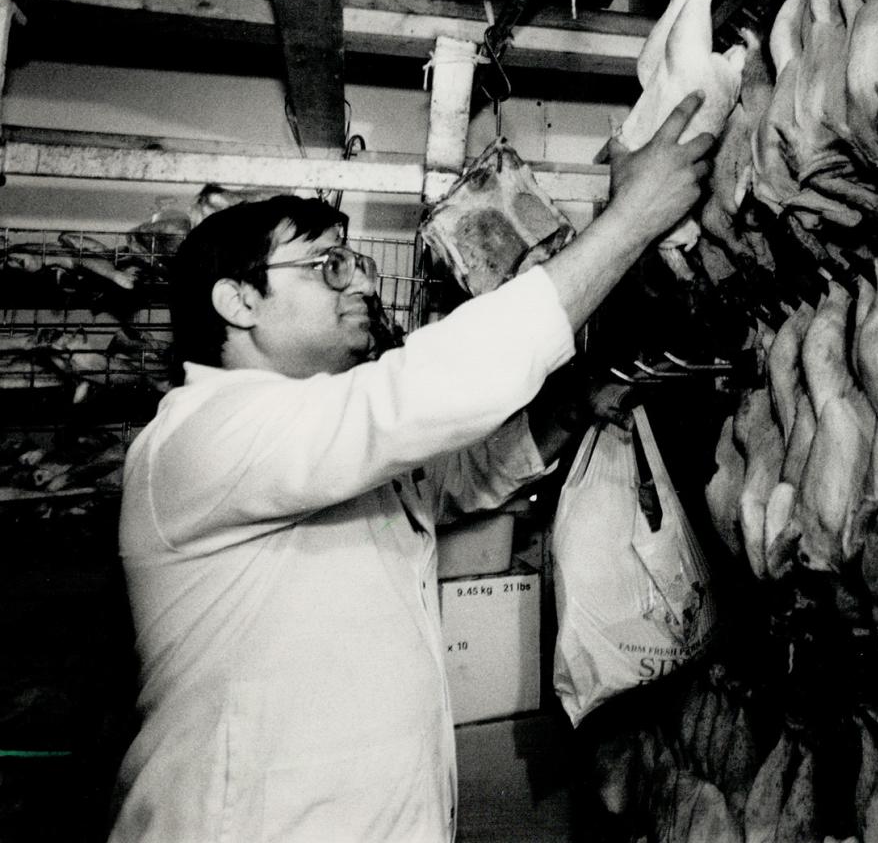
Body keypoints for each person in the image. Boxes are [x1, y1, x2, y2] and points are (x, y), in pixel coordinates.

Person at [107, 91, 716, 842]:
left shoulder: (319, 437)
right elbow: (420, 395)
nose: (361, 282)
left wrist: (576, 405)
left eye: (355, 261)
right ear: (237, 301)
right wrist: (631, 221)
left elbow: (455, 480)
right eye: (328, 266)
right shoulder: (201, 438)